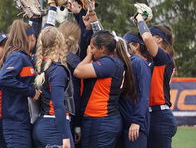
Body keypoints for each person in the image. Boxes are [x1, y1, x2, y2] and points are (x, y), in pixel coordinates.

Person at [73, 30, 136, 147]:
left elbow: (78, 71)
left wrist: (89, 55)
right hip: (104, 119)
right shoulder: (113, 61)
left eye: (92, 47)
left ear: (102, 49)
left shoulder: (109, 62)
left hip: (100, 120)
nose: (91, 50)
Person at [0, 20, 41, 148]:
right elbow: (3, 79)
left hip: (22, 120)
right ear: (32, 37)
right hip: (15, 122)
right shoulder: (17, 56)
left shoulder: (25, 57)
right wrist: (31, 92)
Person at [135, 14, 177, 148]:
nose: (145, 37)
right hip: (152, 116)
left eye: (152, 35)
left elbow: (146, 37)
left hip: (160, 117)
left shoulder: (164, 58)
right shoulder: (154, 60)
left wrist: (140, 19)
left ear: (158, 39)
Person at [32, 26, 74, 148]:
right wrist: (65, 135)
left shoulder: (38, 64)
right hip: (54, 125)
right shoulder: (57, 70)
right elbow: (58, 105)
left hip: (41, 123)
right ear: (60, 45)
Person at [116, 30, 152, 148]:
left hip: (135, 124)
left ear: (136, 45)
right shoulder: (125, 62)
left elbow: (144, 95)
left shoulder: (139, 62)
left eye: (127, 44)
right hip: (123, 123)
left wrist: (137, 121)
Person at [58, 20, 82, 145]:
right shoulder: (77, 64)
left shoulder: (48, 57)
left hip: (45, 117)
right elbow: (75, 97)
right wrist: (78, 125)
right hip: (68, 118)